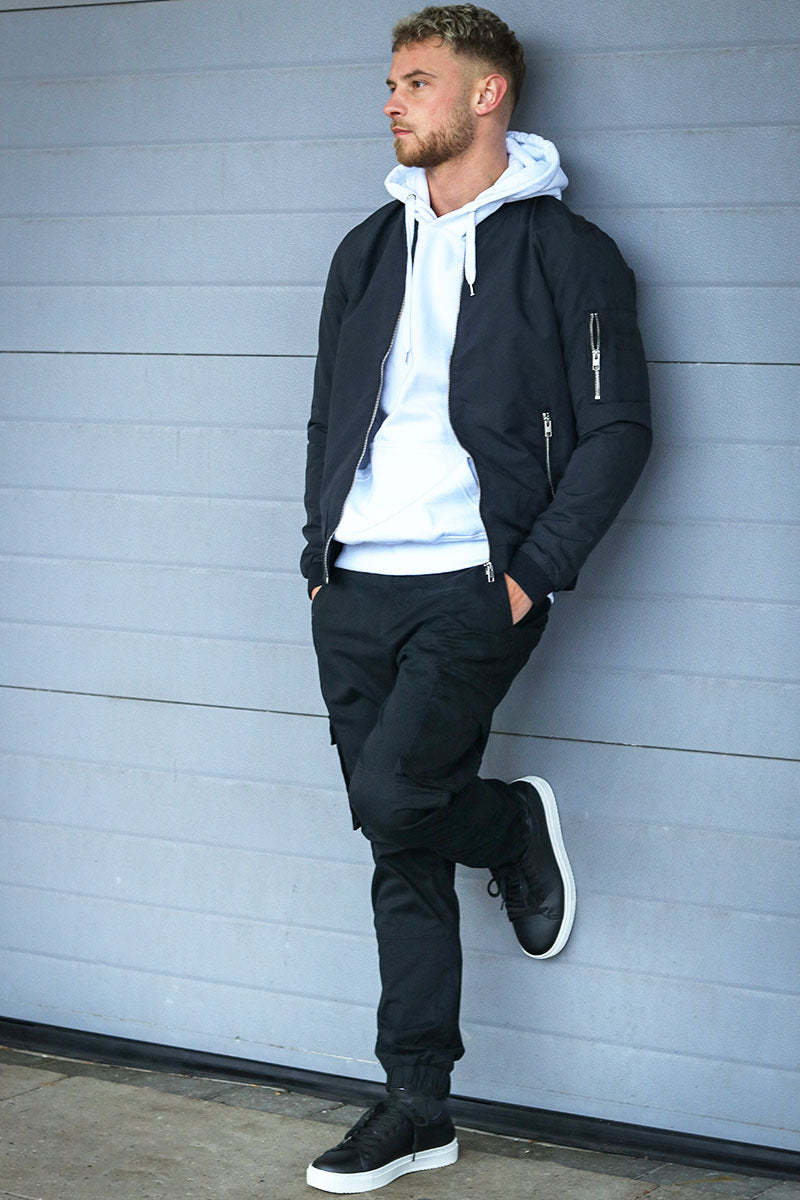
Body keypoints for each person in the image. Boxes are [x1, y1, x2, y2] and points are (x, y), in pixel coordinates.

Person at [301, 4, 651, 1192]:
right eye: (390, 81)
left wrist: (525, 577)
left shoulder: (565, 253)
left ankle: (504, 827)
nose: (390, 100)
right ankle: (418, 1109)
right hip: (353, 584)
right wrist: (317, 554)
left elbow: (616, 431)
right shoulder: (365, 250)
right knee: (394, 838)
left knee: (394, 798)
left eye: (415, 80)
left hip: (469, 582)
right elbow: (326, 416)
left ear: (486, 93)